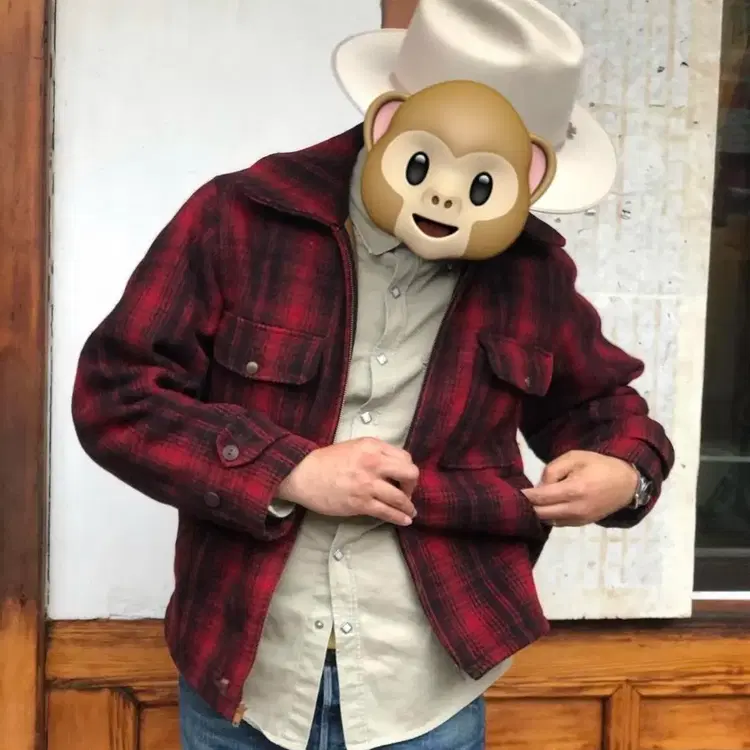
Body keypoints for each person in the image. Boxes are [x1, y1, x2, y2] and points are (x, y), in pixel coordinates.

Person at [71, 0, 675, 748]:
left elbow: (604, 406)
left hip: (425, 687)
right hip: (247, 673)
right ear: (386, 122)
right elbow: (116, 396)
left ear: (532, 174)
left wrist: (627, 472)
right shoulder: (239, 219)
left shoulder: (532, 275)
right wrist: (289, 469)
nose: (447, 196)